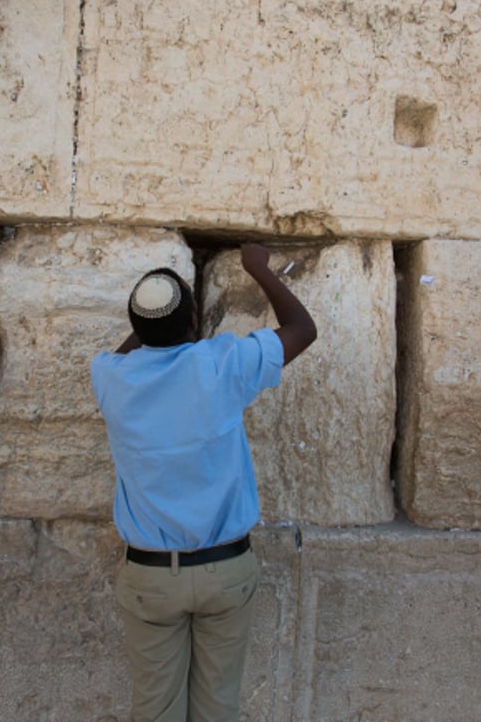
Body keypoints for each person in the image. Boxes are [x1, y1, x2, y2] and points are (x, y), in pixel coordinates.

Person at [90, 243, 317, 722]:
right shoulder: (221, 364)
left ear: (136, 325)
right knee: (219, 707)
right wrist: (259, 269)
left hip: (150, 578)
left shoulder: (110, 379)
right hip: (225, 572)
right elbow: (302, 329)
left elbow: (132, 350)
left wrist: (155, 323)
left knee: (154, 711)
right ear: (194, 324)